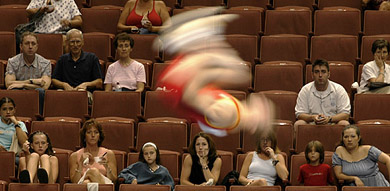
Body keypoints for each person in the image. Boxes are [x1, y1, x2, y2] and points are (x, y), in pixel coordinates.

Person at [157, 7, 274, 137]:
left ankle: (180, 39)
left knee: (215, 62)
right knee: (239, 74)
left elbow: (189, 96)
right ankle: (201, 41)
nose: (265, 106)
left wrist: (212, 68)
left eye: (266, 115)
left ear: (254, 125)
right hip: (186, 87)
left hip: (178, 87)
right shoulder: (236, 113)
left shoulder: (227, 114)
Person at [294, 59, 351, 131]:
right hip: (312, 123)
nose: (320, 75)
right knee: (298, 124)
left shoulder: (339, 89)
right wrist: (312, 118)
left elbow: (345, 114)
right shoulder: (305, 90)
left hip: (333, 123)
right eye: (317, 72)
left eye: (323, 72)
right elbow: (299, 114)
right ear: (312, 75)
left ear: (328, 74)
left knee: (344, 123)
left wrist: (329, 119)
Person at [5, 32, 51, 115]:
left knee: (40, 91)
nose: (30, 47)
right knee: (13, 89)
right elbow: (9, 84)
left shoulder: (45, 63)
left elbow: (45, 86)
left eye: (33, 44)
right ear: (21, 46)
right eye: (27, 43)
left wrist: (24, 85)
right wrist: (32, 81)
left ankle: (38, 117)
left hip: (36, 94)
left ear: (37, 46)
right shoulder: (12, 62)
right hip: (19, 93)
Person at [52, 29, 103, 103]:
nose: (75, 45)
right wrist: (64, 85)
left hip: (85, 92)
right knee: (57, 96)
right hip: (66, 91)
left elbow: (99, 81)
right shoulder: (62, 59)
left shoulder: (92, 58)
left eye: (78, 41)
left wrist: (86, 85)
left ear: (82, 42)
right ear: (67, 43)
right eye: (72, 42)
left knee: (82, 96)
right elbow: (54, 80)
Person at [69, 119, 117, 184]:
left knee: (91, 174)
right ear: (84, 137)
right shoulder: (75, 156)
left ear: (99, 136)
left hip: (104, 183)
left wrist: (106, 166)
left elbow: (113, 180)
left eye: (96, 132)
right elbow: (74, 182)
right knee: (86, 181)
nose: (93, 135)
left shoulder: (108, 154)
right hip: (82, 185)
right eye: (89, 132)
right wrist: (80, 164)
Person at [0, 97, 28, 164]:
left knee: (22, 161)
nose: (8, 112)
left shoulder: (20, 124)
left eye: (11, 109)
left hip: (14, 155)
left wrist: (16, 124)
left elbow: (24, 142)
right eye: (4, 109)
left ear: (15, 110)